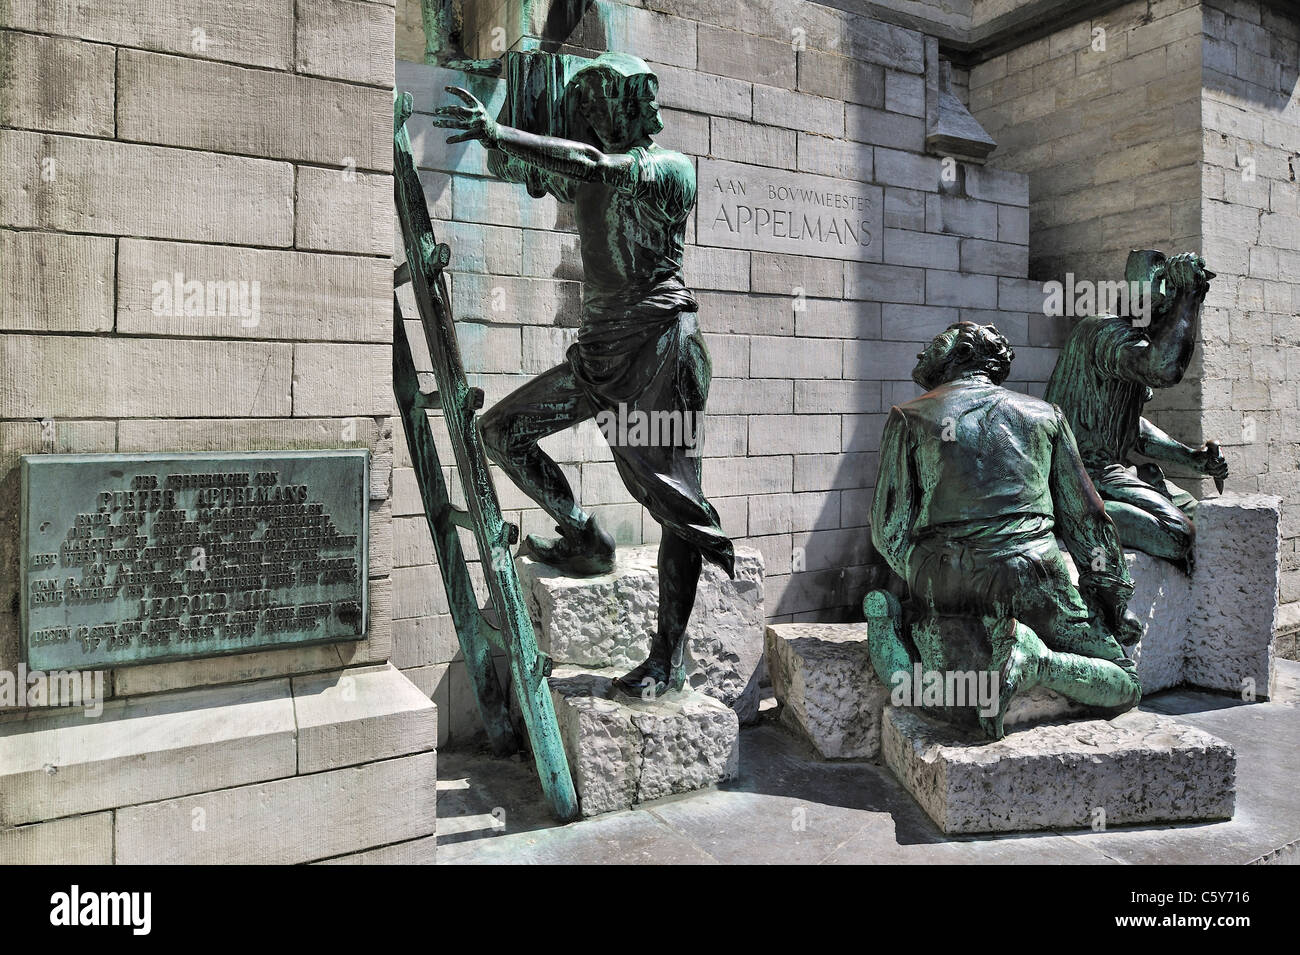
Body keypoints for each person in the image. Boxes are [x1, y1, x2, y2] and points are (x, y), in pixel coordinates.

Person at [431, 53, 734, 698]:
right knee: (502, 432)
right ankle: (584, 537)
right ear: (603, 110)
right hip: (599, 353)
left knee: (672, 502)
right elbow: (545, 169)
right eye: (638, 101)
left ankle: (667, 657)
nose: (654, 113)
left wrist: (497, 134)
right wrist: (511, 125)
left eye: (649, 101)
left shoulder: (668, 170)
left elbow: (591, 165)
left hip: (658, 349)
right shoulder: (591, 172)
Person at [868, 322, 1142, 738]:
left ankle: (884, 624)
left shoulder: (910, 417)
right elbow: (1086, 518)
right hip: (1034, 571)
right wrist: (1112, 598)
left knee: (939, 696)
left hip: (944, 573)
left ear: (960, 355)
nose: (921, 353)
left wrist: (924, 579)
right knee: (1125, 683)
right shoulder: (1044, 415)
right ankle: (1040, 663)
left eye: (935, 344)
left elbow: (889, 527)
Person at [1045, 250, 1228, 572]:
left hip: (1115, 470)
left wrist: (1191, 458)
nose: (1178, 323)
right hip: (1085, 474)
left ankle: (1092, 508)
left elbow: (1135, 428)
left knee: (1209, 519)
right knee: (1176, 535)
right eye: (1173, 311)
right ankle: (1071, 514)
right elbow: (1164, 370)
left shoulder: (1131, 344)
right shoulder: (1103, 333)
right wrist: (1189, 296)